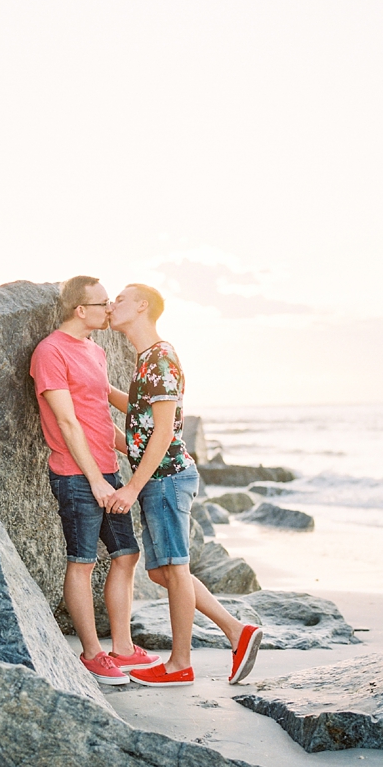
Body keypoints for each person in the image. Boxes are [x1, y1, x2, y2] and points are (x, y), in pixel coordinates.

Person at [103, 283, 262, 686]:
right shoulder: (147, 361)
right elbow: (139, 414)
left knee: (175, 569)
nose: (111, 304)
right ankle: (235, 630)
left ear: (142, 307)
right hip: (160, 481)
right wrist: (99, 392)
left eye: (120, 298)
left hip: (166, 481)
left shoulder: (162, 358)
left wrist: (132, 487)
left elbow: (160, 435)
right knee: (163, 573)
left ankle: (180, 664)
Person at [30, 276, 158, 685]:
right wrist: (96, 481)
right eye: (103, 304)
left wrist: (141, 445)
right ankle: (91, 653)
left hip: (107, 469)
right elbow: (68, 422)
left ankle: (122, 646)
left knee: (126, 555)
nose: (109, 309)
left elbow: (100, 411)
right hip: (74, 473)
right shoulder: (49, 352)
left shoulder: (96, 351)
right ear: (80, 310)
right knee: (82, 562)